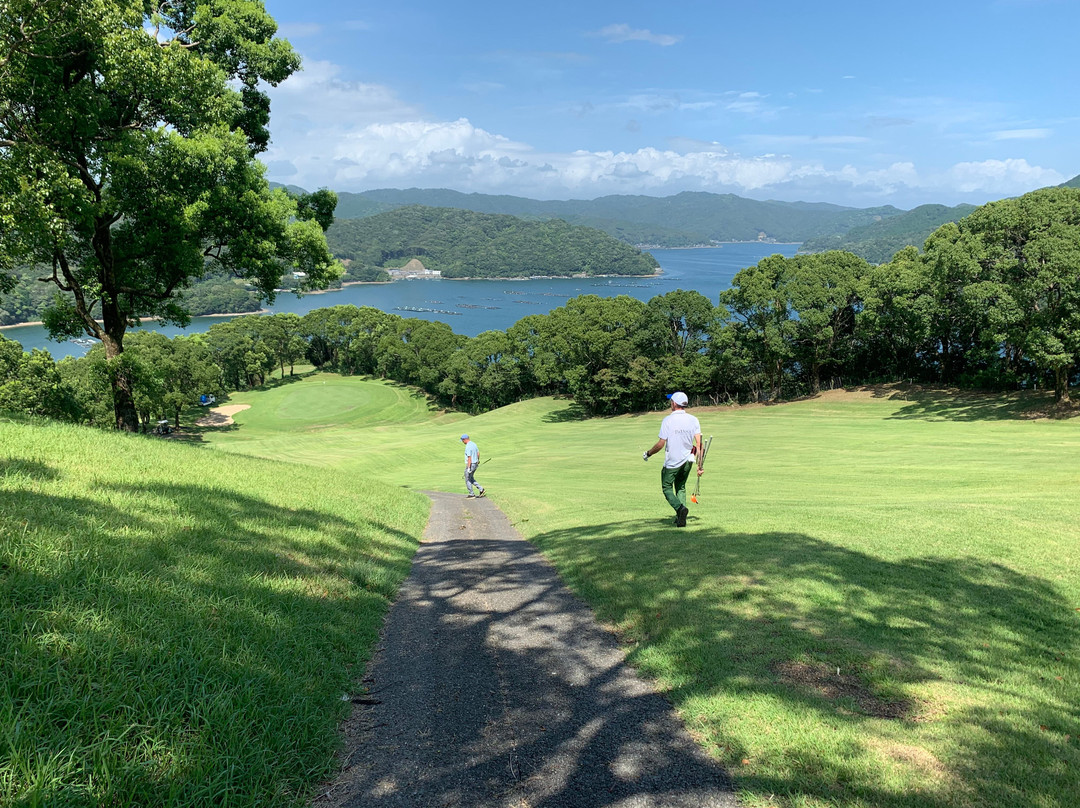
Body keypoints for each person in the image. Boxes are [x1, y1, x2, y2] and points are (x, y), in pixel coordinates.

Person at [643, 392, 702, 527]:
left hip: (673, 461)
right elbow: (699, 444)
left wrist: (648, 453)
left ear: (674, 403)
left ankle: (680, 509)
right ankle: (681, 519)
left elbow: (660, 444)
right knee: (680, 486)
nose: (670, 403)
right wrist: (700, 465)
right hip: (688, 460)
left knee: (666, 487)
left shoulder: (668, 420)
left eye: (671, 401)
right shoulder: (693, 419)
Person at [460, 434, 486, 498]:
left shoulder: (468, 446)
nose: (462, 442)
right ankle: (481, 489)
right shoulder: (474, 444)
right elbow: (478, 453)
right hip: (475, 463)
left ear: (464, 439)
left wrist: (468, 468)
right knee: (471, 478)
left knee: (467, 479)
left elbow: (469, 458)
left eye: (462, 440)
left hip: (471, 464)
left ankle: (471, 494)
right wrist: (477, 460)